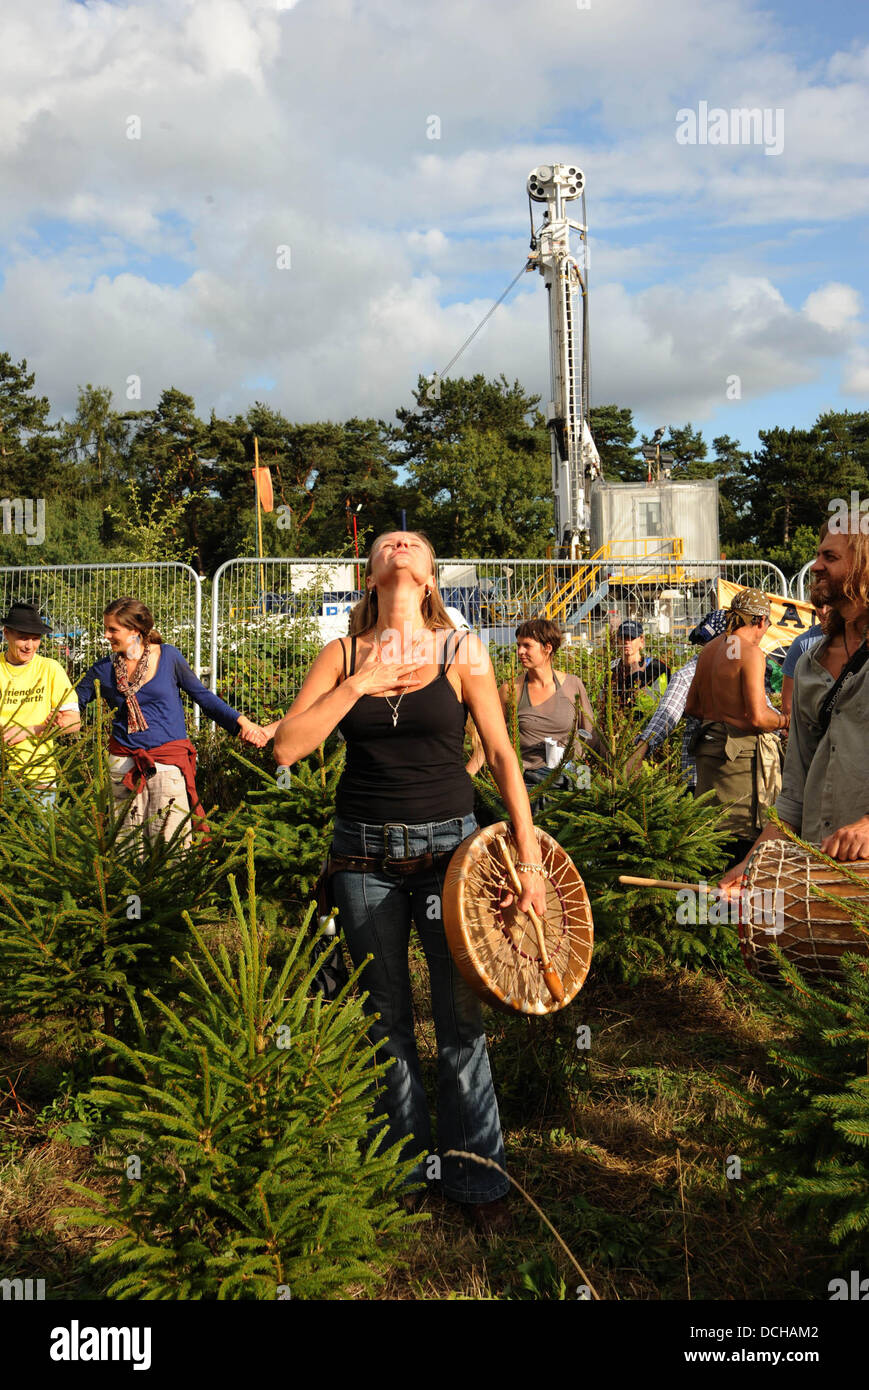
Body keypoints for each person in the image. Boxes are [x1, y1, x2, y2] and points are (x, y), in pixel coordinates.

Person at [271, 531, 547, 1233]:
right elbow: (289, 746)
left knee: (460, 1023)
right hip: (361, 859)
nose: (398, 545)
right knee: (382, 1021)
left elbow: (504, 757)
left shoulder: (460, 652)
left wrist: (531, 857)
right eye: (387, 543)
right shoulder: (338, 655)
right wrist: (358, 684)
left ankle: (477, 1181)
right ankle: (406, 1172)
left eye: (412, 544)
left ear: (428, 579)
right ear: (370, 574)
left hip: (450, 856)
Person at [722, 524, 869, 889]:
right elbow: (794, 794)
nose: (815, 565)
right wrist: (752, 863)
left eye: (830, 557)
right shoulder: (807, 663)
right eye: (819, 554)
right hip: (816, 874)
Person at [76, 597, 268, 846]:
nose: (106, 635)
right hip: (122, 766)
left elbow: (204, 698)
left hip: (167, 764)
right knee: (127, 845)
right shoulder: (103, 669)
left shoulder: (169, 657)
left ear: (134, 631)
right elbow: (73, 702)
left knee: (171, 843)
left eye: (113, 629)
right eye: (106, 628)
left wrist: (242, 722)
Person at [685, 588, 787, 868]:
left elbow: (691, 706)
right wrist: (785, 720)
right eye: (767, 625)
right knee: (741, 848)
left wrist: (720, 719)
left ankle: (707, 909)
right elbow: (757, 717)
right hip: (739, 764)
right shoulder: (751, 653)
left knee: (709, 845)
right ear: (760, 620)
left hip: (708, 757)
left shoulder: (708, 650)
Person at [465, 617, 594, 791]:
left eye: (527, 645)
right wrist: (466, 777)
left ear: (547, 648)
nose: (520, 651)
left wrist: (594, 782)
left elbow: (590, 736)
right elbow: (489, 738)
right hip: (528, 781)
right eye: (518, 645)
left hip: (569, 778)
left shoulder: (573, 686)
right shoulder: (511, 690)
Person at [625, 609, 728, 784]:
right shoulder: (689, 674)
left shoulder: (736, 670)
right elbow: (666, 714)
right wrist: (640, 751)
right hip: (700, 776)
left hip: (729, 773)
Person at [0, 601, 81, 806]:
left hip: (40, 778)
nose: (30, 646)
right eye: (23, 638)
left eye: (35, 639)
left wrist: (32, 729)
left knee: (40, 838)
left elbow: (74, 722)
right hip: (3, 777)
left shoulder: (50, 669)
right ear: (6, 633)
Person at [605, 620, 669, 715]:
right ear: (618, 641)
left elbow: (654, 706)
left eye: (632, 638)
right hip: (618, 724)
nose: (627, 642)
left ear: (641, 641)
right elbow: (604, 702)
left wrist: (637, 677)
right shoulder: (611, 668)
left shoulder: (656, 668)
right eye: (623, 637)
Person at [780, 604, 831, 720]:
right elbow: (788, 704)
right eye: (819, 604)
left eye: (829, 604)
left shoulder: (860, 640)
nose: (823, 611)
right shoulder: (802, 644)